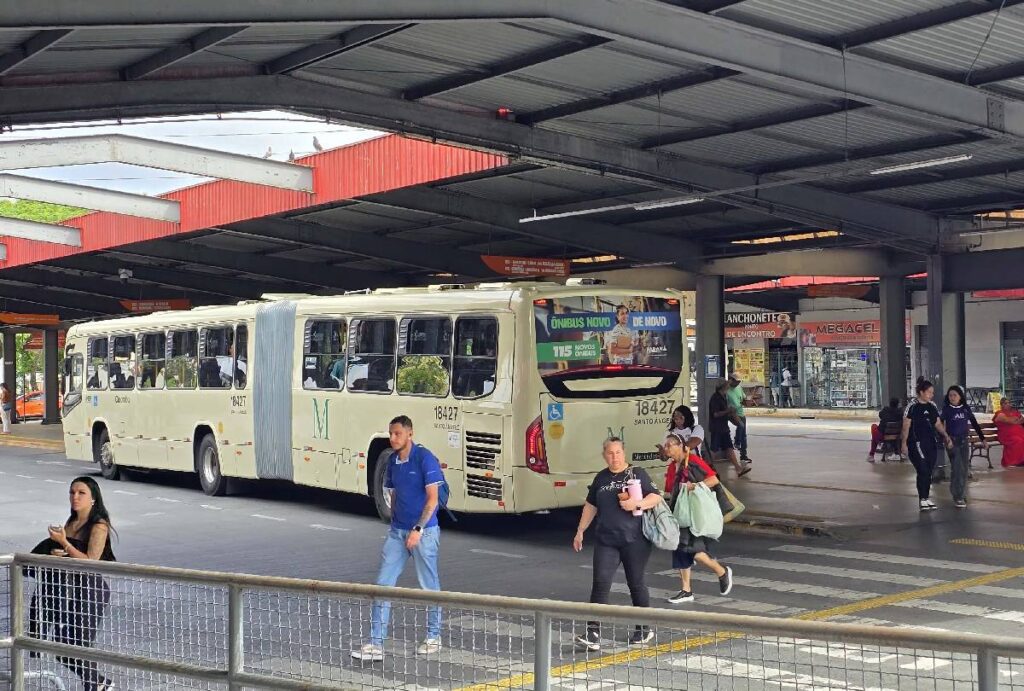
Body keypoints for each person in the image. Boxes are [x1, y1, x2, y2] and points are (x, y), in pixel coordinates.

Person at [353, 416, 445, 661]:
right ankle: (376, 644)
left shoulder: (424, 458)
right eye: (391, 433)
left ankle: (434, 636)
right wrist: (394, 524)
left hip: (424, 532)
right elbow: (393, 494)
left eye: (397, 434)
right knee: (383, 584)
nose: (392, 438)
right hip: (398, 531)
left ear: (410, 434)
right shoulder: (393, 461)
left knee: (429, 585)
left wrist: (418, 528)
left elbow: (433, 499)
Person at [573, 437, 663, 651]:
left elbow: (656, 497)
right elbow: (590, 505)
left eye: (618, 452)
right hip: (606, 540)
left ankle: (644, 627)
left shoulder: (637, 474)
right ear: (604, 454)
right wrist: (580, 530)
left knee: (636, 583)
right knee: (600, 583)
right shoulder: (601, 478)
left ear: (624, 453)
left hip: (635, 540)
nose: (614, 457)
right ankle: (593, 632)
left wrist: (637, 503)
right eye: (610, 453)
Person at [32, 477, 116, 691]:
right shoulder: (71, 522)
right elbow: (71, 556)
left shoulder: (99, 525)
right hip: (70, 589)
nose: (75, 497)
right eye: (72, 492)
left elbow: (90, 561)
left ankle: (92, 685)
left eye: (81, 493)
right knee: (62, 645)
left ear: (93, 499)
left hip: (91, 589)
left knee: (80, 644)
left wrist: (64, 543)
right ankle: (100, 682)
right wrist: (57, 553)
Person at [661, 433, 734, 604]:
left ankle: (721, 571)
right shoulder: (672, 467)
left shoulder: (692, 461)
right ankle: (686, 590)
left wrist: (695, 486)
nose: (666, 449)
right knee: (680, 550)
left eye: (669, 445)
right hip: (679, 513)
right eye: (666, 446)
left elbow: (713, 479)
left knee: (694, 551)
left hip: (694, 514)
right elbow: (671, 491)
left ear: (680, 445)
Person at [901, 380, 954, 511]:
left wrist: (946, 436)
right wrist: (904, 443)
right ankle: (922, 499)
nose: (931, 395)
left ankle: (926, 497)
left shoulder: (932, 406)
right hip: (916, 443)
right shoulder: (912, 406)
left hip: (930, 442)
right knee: (923, 469)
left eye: (932, 393)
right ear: (921, 392)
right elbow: (906, 426)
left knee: (929, 470)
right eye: (929, 392)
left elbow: (937, 423)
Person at [941, 385, 985, 508]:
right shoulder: (946, 409)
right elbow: (939, 424)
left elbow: (975, 423)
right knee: (957, 468)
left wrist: (983, 439)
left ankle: (959, 492)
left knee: (964, 469)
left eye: (955, 395)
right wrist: (945, 439)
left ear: (960, 396)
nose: (952, 397)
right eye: (950, 395)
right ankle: (958, 496)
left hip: (964, 441)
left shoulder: (965, 408)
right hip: (952, 442)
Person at [708, 379, 751, 476]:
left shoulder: (724, 397)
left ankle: (738, 468)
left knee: (729, 448)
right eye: (727, 385)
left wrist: (734, 418)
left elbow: (726, 413)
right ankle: (706, 468)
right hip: (717, 428)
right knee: (714, 449)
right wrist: (728, 411)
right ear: (723, 386)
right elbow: (715, 414)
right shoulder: (716, 398)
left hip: (724, 428)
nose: (728, 386)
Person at [867, 398, 903, 462]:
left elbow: (880, 415)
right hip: (897, 436)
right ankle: (878, 444)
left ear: (890, 404)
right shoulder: (900, 412)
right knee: (875, 433)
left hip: (883, 435)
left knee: (873, 427)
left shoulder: (886, 409)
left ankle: (872, 454)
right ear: (897, 404)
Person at [726, 373, 752, 463]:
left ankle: (743, 455)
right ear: (730, 380)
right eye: (736, 382)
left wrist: (747, 402)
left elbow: (743, 399)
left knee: (744, 435)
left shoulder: (739, 388)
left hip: (740, 412)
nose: (737, 383)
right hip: (732, 413)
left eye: (739, 382)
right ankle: (736, 442)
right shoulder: (727, 390)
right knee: (740, 426)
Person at [992, 398, 1024, 468]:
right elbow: (1007, 420)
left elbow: (1022, 419)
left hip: (1018, 433)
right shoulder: (1000, 413)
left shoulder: (1014, 412)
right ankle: (1013, 461)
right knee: (1018, 441)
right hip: (1006, 435)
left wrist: (1015, 420)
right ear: (1001, 405)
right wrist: (1015, 419)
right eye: (1005, 403)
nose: (1008, 404)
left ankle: (1021, 460)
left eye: (1008, 403)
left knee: (1020, 439)